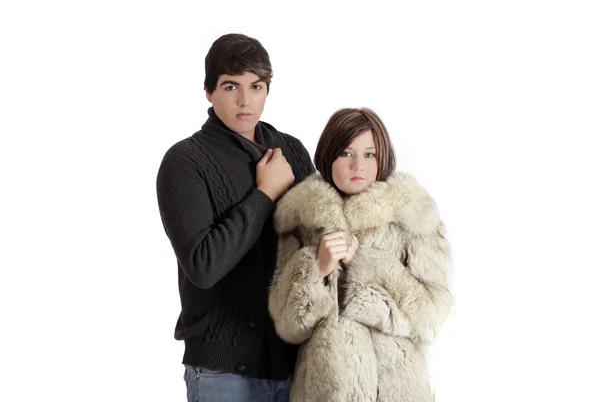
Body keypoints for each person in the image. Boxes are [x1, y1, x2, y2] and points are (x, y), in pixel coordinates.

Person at [156, 33, 315, 402]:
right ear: (209, 92)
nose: (246, 100)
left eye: (256, 86)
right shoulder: (185, 162)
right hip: (223, 373)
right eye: (231, 86)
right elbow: (204, 266)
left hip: (296, 362)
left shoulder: (289, 149)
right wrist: (264, 194)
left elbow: (316, 239)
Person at [269, 107, 453, 401]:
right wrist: (317, 267)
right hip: (323, 391)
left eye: (370, 154)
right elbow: (289, 325)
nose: (358, 166)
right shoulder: (301, 220)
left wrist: (364, 264)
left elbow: (430, 317)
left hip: (396, 390)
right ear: (329, 155)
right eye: (346, 153)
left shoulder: (411, 217)